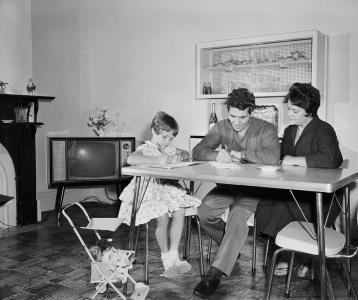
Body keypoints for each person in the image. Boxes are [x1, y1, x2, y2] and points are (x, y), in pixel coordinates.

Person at [192, 88, 280, 298]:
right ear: (227, 112)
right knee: (204, 212)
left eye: (243, 117)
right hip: (229, 186)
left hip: (255, 188)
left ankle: (214, 275)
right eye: (233, 116)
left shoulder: (266, 128)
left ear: (251, 113)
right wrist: (216, 155)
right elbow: (198, 150)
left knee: (238, 214)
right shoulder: (222, 126)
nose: (237, 122)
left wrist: (242, 155)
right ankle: (231, 248)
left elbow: (274, 156)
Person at [255, 82, 344, 276]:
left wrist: (295, 160)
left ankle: (295, 258)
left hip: (321, 197)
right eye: (288, 109)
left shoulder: (323, 129)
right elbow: (284, 162)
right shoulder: (289, 131)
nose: (289, 114)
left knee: (282, 208)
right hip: (296, 190)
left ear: (309, 111)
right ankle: (296, 256)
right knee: (266, 204)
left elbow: (333, 159)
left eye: (294, 111)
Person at [118, 111, 201, 277]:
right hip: (148, 191)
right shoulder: (146, 148)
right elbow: (131, 159)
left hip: (166, 188)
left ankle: (173, 254)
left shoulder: (168, 147)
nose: (168, 141)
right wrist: (157, 160)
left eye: (171, 138)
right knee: (162, 217)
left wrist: (179, 154)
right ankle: (165, 257)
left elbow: (185, 153)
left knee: (180, 211)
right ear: (154, 132)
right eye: (164, 137)